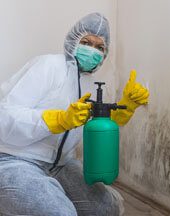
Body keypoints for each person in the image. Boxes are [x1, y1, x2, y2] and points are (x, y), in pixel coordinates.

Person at [0, 12, 149, 216]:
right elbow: (5, 117)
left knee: (105, 208)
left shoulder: (91, 83)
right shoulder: (48, 66)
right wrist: (58, 119)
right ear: (73, 40)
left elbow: (97, 125)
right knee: (61, 213)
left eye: (99, 47)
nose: (92, 50)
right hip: (15, 160)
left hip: (60, 164)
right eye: (86, 42)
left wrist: (127, 106)